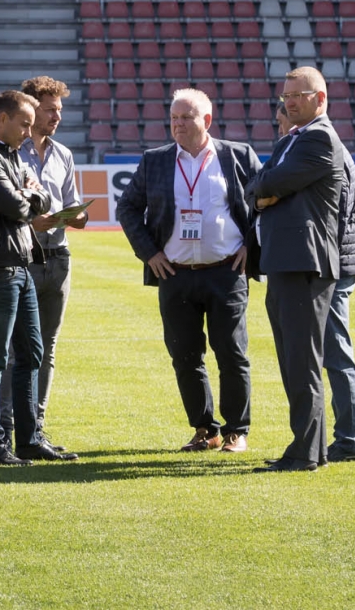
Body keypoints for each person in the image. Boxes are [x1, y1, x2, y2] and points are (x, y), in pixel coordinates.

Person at [116, 89, 264, 454]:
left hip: (226, 271)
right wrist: (149, 253)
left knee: (232, 353)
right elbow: (127, 208)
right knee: (184, 356)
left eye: (186, 117)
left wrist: (251, 245)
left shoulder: (238, 156)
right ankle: (205, 429)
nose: (178, 124)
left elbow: (264, 205)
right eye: (173, 118)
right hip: (175, 274)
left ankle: (236, 431)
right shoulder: (155, 160)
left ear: (207, 121)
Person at [0, 90, 77, 466]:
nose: (29, 132)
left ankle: (29, 439)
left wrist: (30, 196)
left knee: (31, 353)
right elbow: (17, 206)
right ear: (2, 119)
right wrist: (29, 197)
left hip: (21, 264)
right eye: (24, 124)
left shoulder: (9, 155)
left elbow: (40, 199)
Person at [250, 66, 347, 473]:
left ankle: (304, 452)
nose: (289, 103)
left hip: (304, 262)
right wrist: (264, 191)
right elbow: (258, 185)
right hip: (288, 260)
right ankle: (312, 448)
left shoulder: (318, 138)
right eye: (285, 96)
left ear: (319, 99)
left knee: (301, 361)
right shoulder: (294, 138)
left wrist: (265, 190)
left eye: (297, 96)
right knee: (295, 359)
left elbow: (267, 184)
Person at [0, 75, 83, 450]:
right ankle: (5, 429)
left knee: (47, 348)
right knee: (16, 350)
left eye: (59, 110)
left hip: (59, 257)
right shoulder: (11, 154)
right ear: (31, 109)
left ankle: (35, 428)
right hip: (25, 257)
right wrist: (32, 222)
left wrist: (77, 215)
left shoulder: (63, 155)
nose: (57, 117)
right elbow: (4, 207)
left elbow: (71, 201)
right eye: (50, 110)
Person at [327, 142, 355, 462]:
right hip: (341, 263)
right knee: (336, 352)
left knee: (337, 352)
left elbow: (334, 217)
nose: (281, 126)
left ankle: (350, 439)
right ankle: (348, 437)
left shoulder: (327, 149)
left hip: (333, 267)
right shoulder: (334, 148)